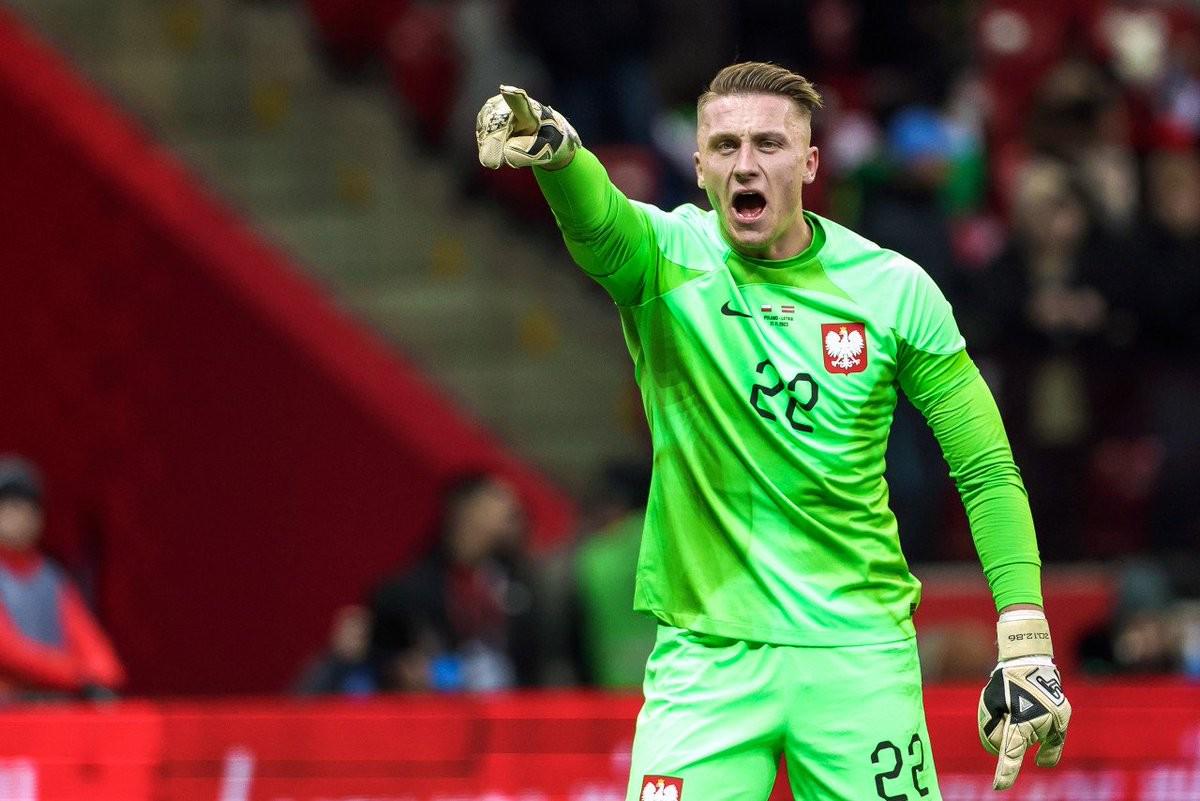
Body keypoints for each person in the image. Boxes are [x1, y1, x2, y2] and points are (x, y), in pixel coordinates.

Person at [476, 62, 1071, 799]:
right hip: (706, 659)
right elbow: (600, 222)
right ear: (699, 166)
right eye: (724, 146)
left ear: (810, 163)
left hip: (859, 654)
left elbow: (983, 466)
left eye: (769, 143)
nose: (745, 164)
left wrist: (1024, 633)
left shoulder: (893, 290)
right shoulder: (665, 258)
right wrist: (561, 158)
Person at [368, 472, 540, 692]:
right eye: (499, 501)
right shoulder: (406, 593)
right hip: (438, 708)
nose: (513, 509)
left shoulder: (519, 582)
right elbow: (383, 664)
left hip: (512, 707)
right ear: (467, 509)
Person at [0, 456, 125, 700]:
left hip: (51, 707)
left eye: (28, 508)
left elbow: (101, 658)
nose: (20, 518)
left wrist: (98, 676)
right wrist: (77, 676)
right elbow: (7, 650)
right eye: (9, 508)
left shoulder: (52, 579)